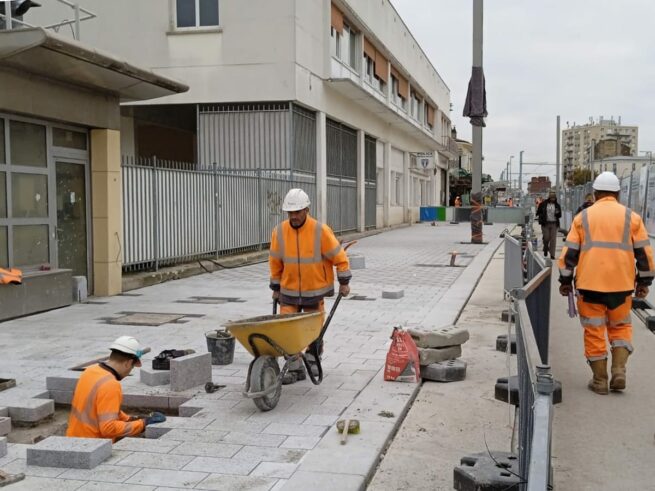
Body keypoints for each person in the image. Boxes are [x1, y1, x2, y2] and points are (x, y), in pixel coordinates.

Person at [558, 172, 655, 394]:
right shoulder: (632, 218)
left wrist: (565, 280)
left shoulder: (583, 217)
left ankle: (600, 380)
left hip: (589, 285)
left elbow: (569, 253)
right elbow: (645, 255)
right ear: (618, 193)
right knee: (620, 327)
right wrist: (644, 281)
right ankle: (619, 369)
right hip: (621, 286)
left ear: (595, 193)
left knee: (594, 331)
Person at [269, 189, 352, 384]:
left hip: (314, 290)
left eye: (298, 212)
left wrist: (344, 282)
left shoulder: (320, 231)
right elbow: (275, 262)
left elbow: (339, 257)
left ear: (307, 209)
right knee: (287, 329)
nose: (294, 216)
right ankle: (295, 366)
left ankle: (313, 357)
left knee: (313, 329)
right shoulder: (279, 231)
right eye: (291, 213)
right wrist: (275, 287)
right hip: (288, 290)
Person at [67, 336, 166, 441]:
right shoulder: (111, 384)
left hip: (73, 438)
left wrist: (130, 419)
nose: (129, 372)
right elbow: (109, 429)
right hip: (92, 446)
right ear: (128, 363)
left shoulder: (90, 371)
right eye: (132, 367)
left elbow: (102, 408)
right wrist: (143, 424)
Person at [536, 191, 562, 259]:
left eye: (554, 198)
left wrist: (557, 212)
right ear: (549, 198)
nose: (553, 199)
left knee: (553, 239)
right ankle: (545, 247)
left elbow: (560, 215)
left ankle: (552, 254)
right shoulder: (543, 204)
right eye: (551, 198)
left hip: (554, 224)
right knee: (546, 237)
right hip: (545, 224)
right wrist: (541, 216)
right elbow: (538, 212)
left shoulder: (557, 205)